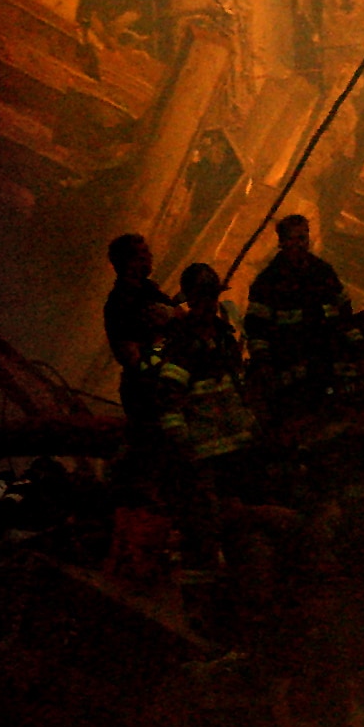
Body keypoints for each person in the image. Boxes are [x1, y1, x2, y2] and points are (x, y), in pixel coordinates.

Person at [157, 261, 260, 565]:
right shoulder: (182, 345)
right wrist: (184, 445)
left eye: (210, 297)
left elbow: (237, 389)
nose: (206, 304)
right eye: (199, 298)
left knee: (242, 527)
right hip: (203, 458)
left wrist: (251, 423)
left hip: (238, 451)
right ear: (189, 301)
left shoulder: (224, 338)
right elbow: (167, 401)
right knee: (206, 529)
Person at [244, 214, 358, 426]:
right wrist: (265, 365)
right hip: (292, 375)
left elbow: (345, 314)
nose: (300, 245)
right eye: (293, 239)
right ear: (282, 242)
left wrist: (357, 349)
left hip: (329, 368)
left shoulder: (323, 272)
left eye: (303, 238)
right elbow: (256, 330)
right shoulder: (269, 282)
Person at [103, 233, 175, 430]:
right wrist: (163, 349)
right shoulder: (121, 304)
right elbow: (131, 358)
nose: (149, 257)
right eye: (143, 253)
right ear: (130, 261)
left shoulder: (150, 292)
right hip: (152, 397)